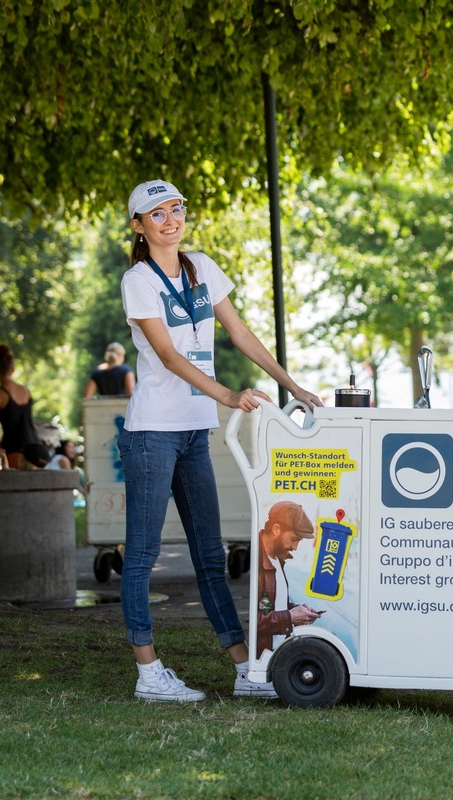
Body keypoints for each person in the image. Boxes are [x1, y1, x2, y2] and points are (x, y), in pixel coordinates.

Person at [119, 179, 324, 703]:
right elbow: (168, 357)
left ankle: (244, 668)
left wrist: (293, 385)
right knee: (141, 558)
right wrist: (229, 396)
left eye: (177, 209)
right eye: (157, 213)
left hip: (192, 432)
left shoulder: (202, 268)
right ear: (139, 226)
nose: (171, 219)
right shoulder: (137, 281)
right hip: (151, 434)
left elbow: (241, 334)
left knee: (211, 558)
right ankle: (149, 674)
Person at [256, 501, 325, 656]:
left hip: (278, 653)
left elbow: (270, 605)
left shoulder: (278, 558)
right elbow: (250, 621)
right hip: (262, 658)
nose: (295, 547)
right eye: (294, 539)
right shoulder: (255, 561)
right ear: (276, 529)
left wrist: (297, 610)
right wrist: (290, 617)